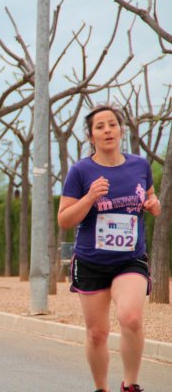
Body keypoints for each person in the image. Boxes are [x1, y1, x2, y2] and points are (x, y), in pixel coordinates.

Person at [58, 104, 161, 392]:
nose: (107, 130)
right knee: (97, 334)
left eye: (112, 124)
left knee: (131, 317)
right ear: (91, 136)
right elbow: (64, 219)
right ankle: (101, 387)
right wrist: (89, 197)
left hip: (130, 259)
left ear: (121, 129)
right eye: (100, 127)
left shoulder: (139, 166)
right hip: (91, 261)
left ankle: (130, 385)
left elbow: (152, 200)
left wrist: (154, 205)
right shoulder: (81, 171)